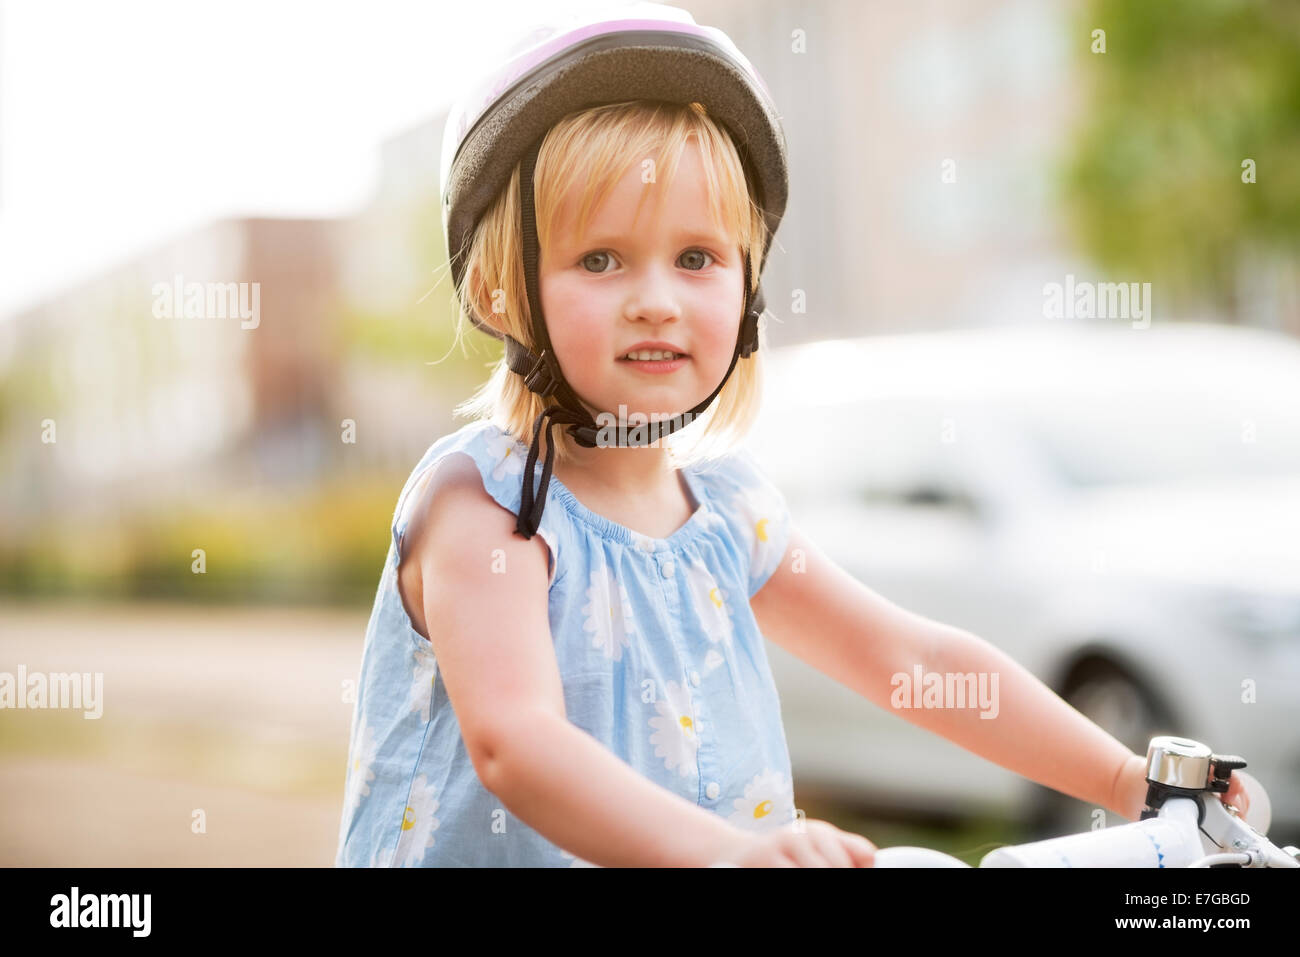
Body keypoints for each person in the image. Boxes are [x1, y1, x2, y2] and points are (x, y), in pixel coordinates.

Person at [334, 3, 1251, 868]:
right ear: (501, 292)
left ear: (748, 285)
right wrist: (731, 852)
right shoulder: (488, 509)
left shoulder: (728, 514)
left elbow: (913, 662)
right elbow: (517, 745)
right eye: (600, 259)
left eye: (696, 258)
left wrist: (1129, 781)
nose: (656, 298)